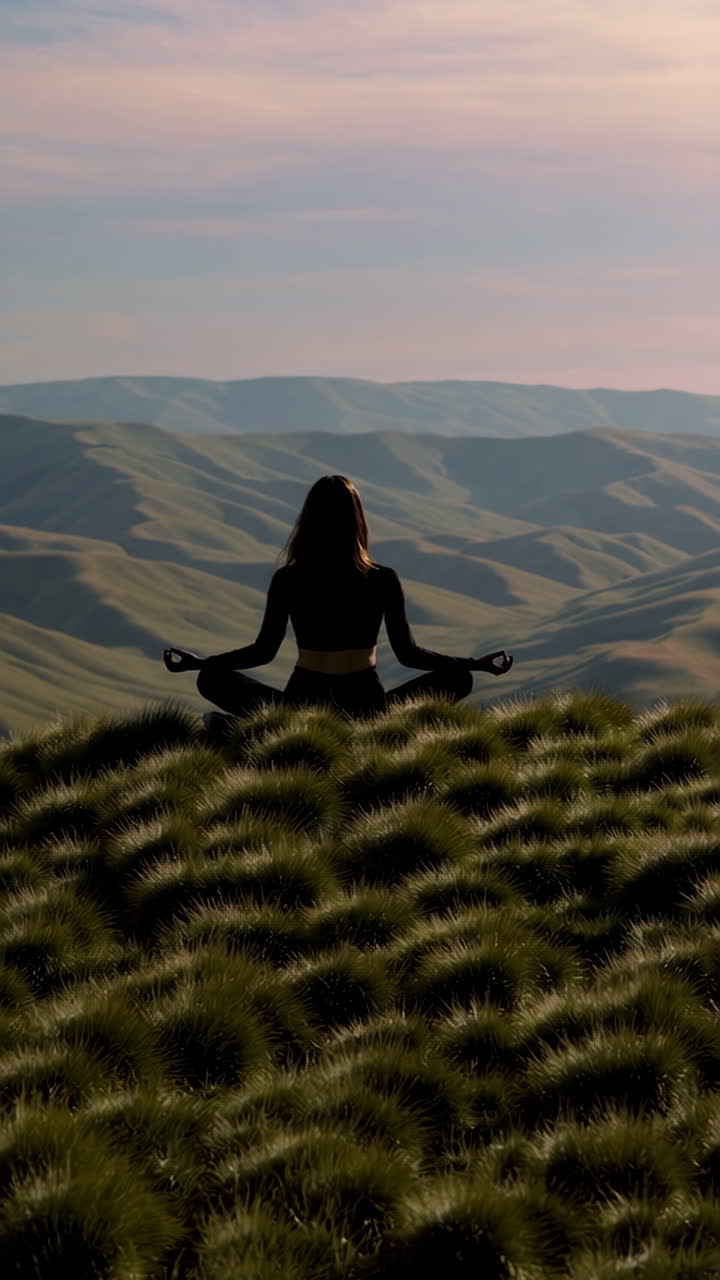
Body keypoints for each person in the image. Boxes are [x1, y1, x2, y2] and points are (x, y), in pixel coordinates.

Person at [163, 474, 513, 721]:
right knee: (458, 680)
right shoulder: (381, 579)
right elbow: (409, 655)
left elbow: (263, 652)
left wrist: (201, 663)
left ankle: (246, 731)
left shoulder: (288, 579)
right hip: (367, 708)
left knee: (211, 680)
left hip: (301, 706)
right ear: (356, 520)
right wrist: (474, 664)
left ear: (308, 521)